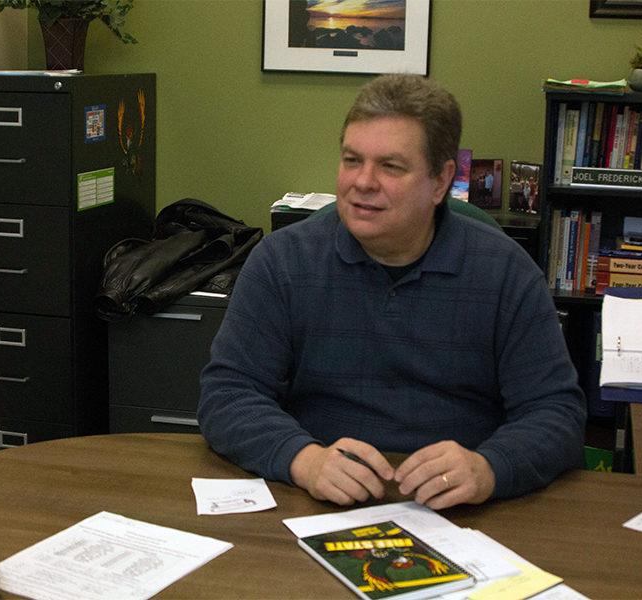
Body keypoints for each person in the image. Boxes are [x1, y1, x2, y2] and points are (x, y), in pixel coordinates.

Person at [198, 75, 585, 511]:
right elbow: (228, 395)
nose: (363, 182)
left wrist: (490, 468)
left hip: (460, 513)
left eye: (390, 166)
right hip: (315, 502)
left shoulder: (505, 273)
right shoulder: (282, 261)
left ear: (440, 182)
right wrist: (303, 460)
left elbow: (556, 413)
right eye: (351, 160)